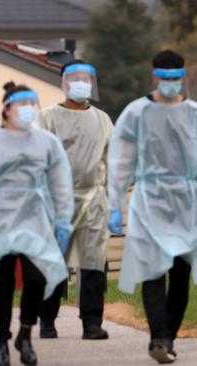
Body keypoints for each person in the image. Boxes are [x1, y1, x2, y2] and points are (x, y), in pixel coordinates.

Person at [0, 82, 74, 366]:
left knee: (37, 279)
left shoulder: (47, 143)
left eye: (33, 104)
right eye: (22, 104)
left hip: (34, 220)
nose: (29, 109)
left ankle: (26, 334)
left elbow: (60, 183)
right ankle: (1, 346)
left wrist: (64, 220)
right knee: (3, 285)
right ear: (6, 109)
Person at [108, 49, 197, 364]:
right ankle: (158, 336)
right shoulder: (136, 113)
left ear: (182, 77)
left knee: (180, 273)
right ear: (154, 77)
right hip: (150, 200)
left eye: (176, 79)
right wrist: (115, 203)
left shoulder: (193, 113)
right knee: (152, 270)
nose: (170, 84)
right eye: (165, 78)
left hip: (187, 203)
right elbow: (120, 159)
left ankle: (167, 337)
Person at [37, 60, 113, 340]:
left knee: (94, 262)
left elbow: (112, 159)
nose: (81, 83)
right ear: (64, 83)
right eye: (75, 77)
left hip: (94, 199)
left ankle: (92, 323)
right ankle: (47, 320)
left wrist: (115, 201)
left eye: (86, 78)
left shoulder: (103, 119)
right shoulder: (47, 118)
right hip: (58, 200)